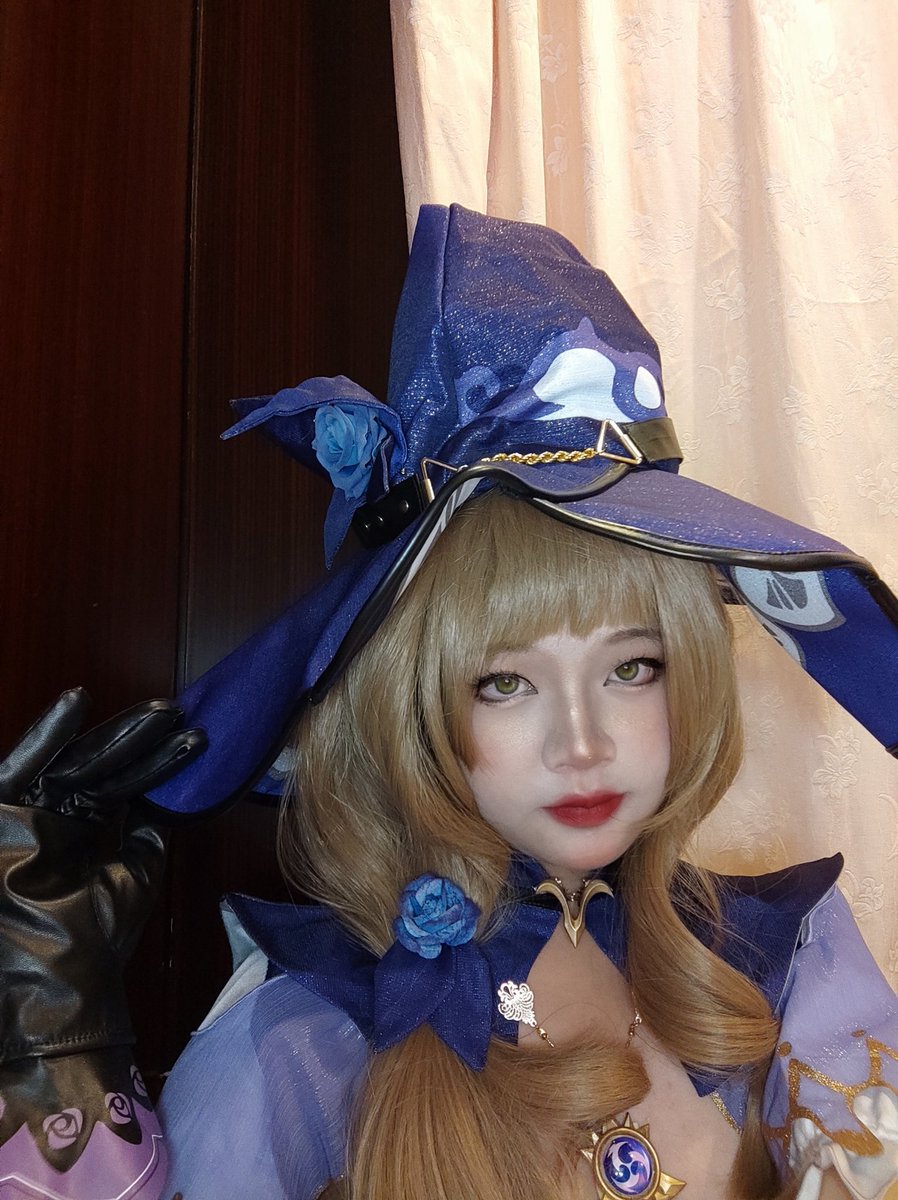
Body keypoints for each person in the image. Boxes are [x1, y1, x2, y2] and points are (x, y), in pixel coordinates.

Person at [1, 204, 896, 1200]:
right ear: (412, 708)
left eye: (631, 668)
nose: (584, 744)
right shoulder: (303, 1049)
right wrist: (55, 1051)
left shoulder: (789, 963)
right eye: (505, 682)